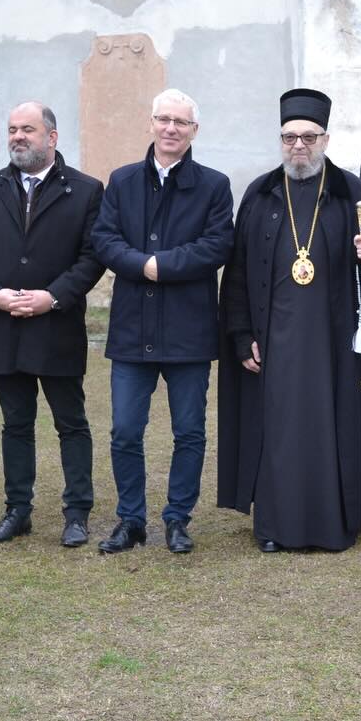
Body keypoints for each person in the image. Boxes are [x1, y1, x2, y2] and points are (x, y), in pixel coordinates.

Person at [217, 88, 361, 552]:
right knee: (279, 432)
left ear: (325, 139)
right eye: (289, 138)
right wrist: (242, 336)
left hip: (333, 344)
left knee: (330, 429)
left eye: (308, 137)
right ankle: (274, 528)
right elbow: (238, 274)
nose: (298, 146)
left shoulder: (350, 193)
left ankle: (331, 525)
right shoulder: (261, 194)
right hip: (275, 341)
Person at [91, 89, 234, 555]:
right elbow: (104, 239)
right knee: (125, 432)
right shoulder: (122, 180)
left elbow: (217, 245)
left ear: (194, 130)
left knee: (188, 432)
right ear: (151, 123)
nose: (171, 128)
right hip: (133, 329)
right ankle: (131, 520)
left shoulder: (214, 185)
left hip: (189, 331)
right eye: (164, 119)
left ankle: (177, 519)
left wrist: (161, 265)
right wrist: (142, 265)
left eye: (181, 122)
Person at [0, 101, 106, 548]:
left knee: (71, 423)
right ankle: (17, 510)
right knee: (15, 424)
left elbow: (92, 256)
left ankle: (77, 513)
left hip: (57, 326)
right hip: (5, 327)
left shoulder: (86, 190)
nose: (18, 136)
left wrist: (53, 296)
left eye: (28, 129)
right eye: (12, 129)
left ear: (52, 137)